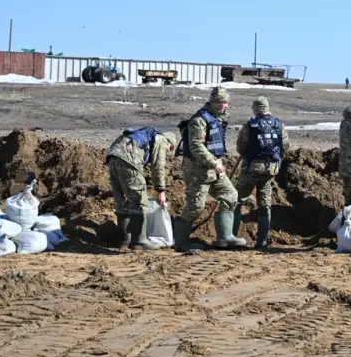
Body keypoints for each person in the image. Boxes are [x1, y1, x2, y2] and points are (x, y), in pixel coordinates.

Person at [174, 86, 244, 251]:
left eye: (226, 102)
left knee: (230, 195)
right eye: (220, 103)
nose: (224, 106)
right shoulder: (199, 120)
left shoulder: (217, 119)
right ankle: (181, 242)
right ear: (212, 102)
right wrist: (214, 162)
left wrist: (217, 162)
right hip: (198, 170)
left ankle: (225, 237)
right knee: (196, 207)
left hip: (214, 169)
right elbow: (196, 146)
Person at [105, 126, 177, 250]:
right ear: (170, 144)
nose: (167, 151)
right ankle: (139, 241)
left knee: (122, 200)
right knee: (139, 201)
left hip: (113, 156)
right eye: (169, 149)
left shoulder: (143, 135)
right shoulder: (162, 140)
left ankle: (125, 240)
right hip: (128, 158)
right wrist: (160, 190)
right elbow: (158, 167)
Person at [234, 96, 289, 250]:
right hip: (271, 169)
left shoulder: (250, 125)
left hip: (252, 168)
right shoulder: (279, 124)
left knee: (237, 199)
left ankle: (231, 236)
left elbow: (241, 147)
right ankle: (262, 242)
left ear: (255, 109)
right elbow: (285, 145)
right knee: (264, 203)